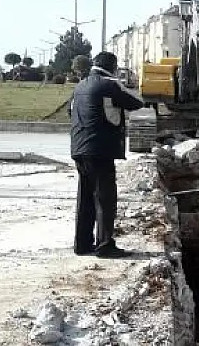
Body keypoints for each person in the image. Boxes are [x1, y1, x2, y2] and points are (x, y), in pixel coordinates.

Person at [68, 51, 144, 258]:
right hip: (100, 149)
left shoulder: (80, 86)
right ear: (113, 67)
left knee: (85, 197)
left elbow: (70, 111)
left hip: (79, 148)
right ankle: (104, 245)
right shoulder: (109, 84)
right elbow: (137, 101)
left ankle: (82, 244)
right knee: (104, 198)